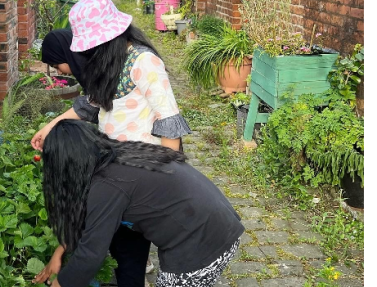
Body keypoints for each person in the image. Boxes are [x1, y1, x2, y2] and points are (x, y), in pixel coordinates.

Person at [32, 120, 245, 287]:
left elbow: (90, 255)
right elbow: (90, 222)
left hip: (203, 241)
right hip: (218, 222)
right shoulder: (114, 156)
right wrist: (59, 253)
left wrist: (60, 284)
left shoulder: (108, 184)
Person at [32, 0, 192, 153]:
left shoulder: (144, 61)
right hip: (115, 158)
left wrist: (169, 172)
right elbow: (91, 104)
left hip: (145, 164)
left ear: (106, 42)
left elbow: (168, 118)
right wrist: (50, 127)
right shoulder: (111, 63)